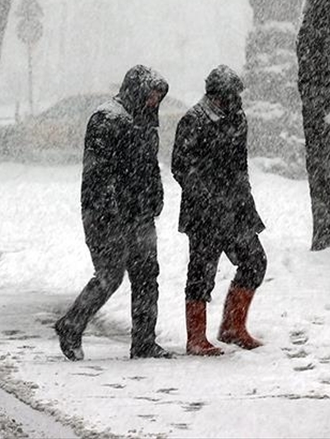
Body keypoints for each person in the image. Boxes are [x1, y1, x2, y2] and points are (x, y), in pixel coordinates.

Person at [54, 65, 174, 360]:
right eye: (151, 95)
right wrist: (109, 211)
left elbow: (148, 167)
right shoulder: (107, 119)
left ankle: (144, 342)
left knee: (147, 276)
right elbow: (98, 173)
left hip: (140, 214)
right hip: (107, 215)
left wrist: (155, 196)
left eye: (159, 97)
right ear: (137, 90)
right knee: (110, 274)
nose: (154, 102)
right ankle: (71, 325)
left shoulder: (145, 122)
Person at [171, 65, 267, 356]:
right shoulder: (193, 120)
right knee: (201, 272)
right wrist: (207, 196)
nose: (236, 100)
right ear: (216, 94)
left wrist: (243, 198)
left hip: (237, 209)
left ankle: (233, 327)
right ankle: (196, 338)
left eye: (237, 94)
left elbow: (240, 164)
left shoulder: (238, 118)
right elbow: (181, 167)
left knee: (255, 261)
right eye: (231, 95)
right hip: (204, 213)